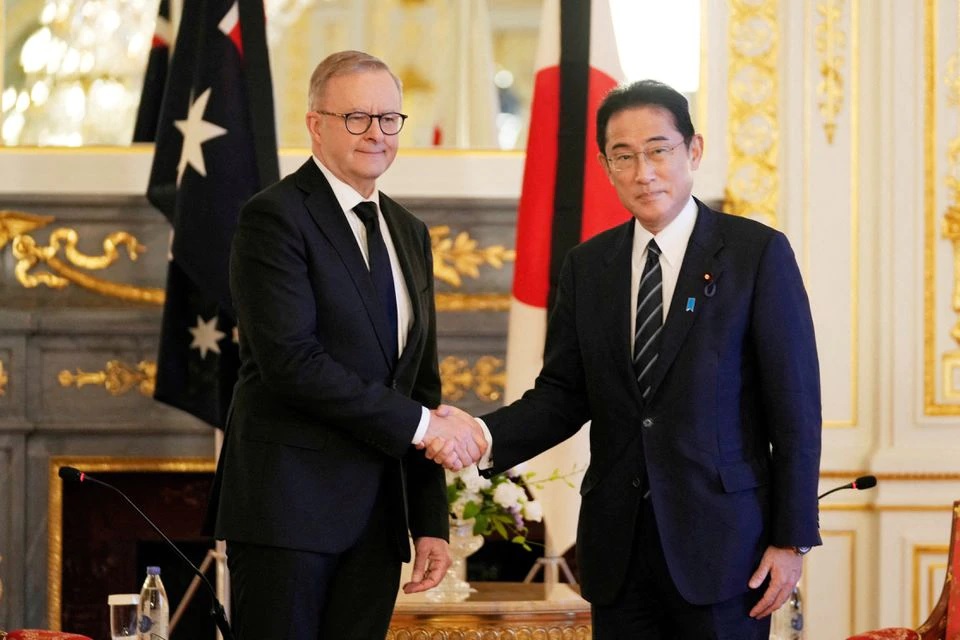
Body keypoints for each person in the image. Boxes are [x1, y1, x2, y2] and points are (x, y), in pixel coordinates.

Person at [428, 80, 822, 638]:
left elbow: (796, 408)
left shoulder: (755, 254)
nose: (645, 171)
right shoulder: (589, 266)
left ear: (694, 151)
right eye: (625, 156)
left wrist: (791, 537)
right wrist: (480, 434)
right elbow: (563, 395)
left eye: (659, 150)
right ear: (605, 165)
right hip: (619, 551)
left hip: (725, 548)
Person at [210, 50, 486, 639]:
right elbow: (291, 363)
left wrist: (429, 520)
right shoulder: (273, 218)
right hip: (287, 513)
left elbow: (421, 387)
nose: (376, 134)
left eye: (389, 119)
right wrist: (423, 427)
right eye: (356, 117)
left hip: (378, 521)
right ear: (316, 124)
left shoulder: (409, 232)